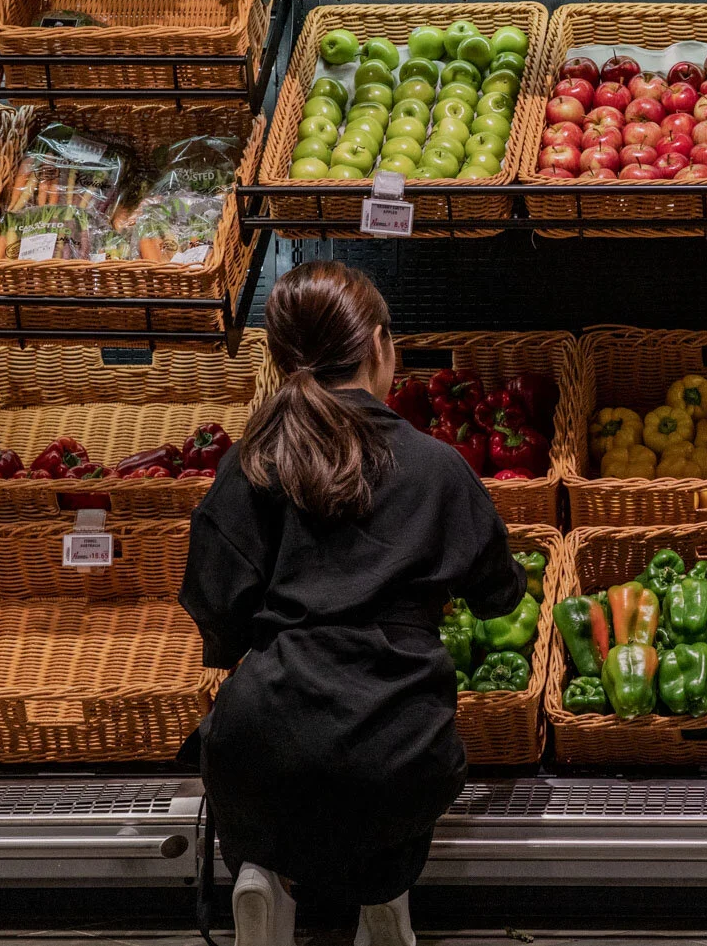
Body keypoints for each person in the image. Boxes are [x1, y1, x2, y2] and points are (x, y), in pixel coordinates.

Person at [180, 261, 526, 946]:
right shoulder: (437, 466)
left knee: (270, 790)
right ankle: (384, 896)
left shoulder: (250, 463)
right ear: (377, 343)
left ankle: (264, 877)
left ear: (282, 357)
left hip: (262, 740)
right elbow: (499, 596)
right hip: (396, 740)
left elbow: (216, 611)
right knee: (390, 793)